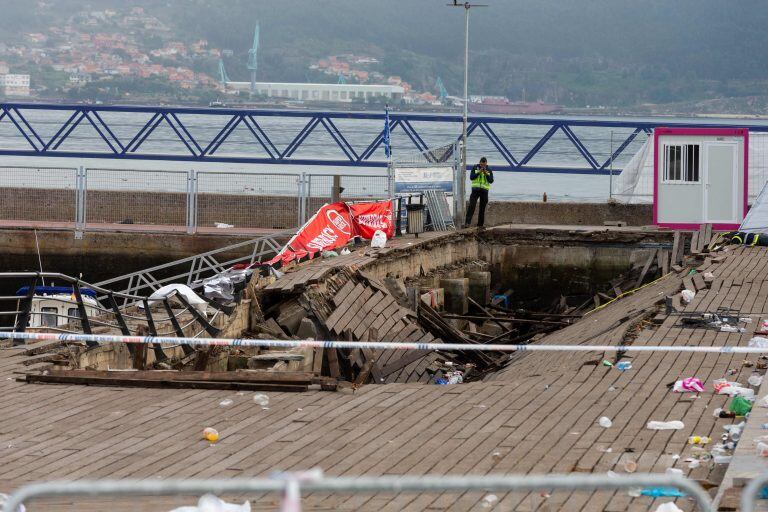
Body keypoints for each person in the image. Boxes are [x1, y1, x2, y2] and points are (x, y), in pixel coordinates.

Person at [465, 157, 494, 227]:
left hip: (484, 191)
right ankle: (467, 223)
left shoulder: (489, 170)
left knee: (482, 208)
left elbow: (491, 181)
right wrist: (479, 172)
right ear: (479, 162)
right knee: (471, 206)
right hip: (475, 190)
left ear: (486, 163)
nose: (482, 166)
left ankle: (480, 225)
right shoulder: (475, 168)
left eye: (484, 165)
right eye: (481, 164)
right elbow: (472, 177)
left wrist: (486, 173)